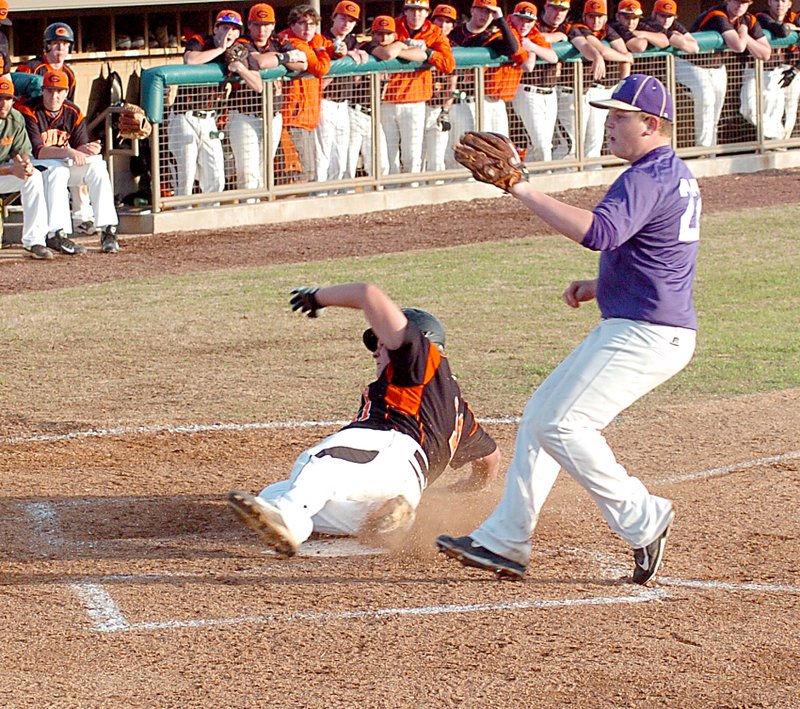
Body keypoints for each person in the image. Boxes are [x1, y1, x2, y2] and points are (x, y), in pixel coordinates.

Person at [438, 74, 701, 586]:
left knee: (564, 425)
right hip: (640, 324)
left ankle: (643, 517)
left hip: (646, 333)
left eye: (619, 116)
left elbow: (599, 232)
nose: (609, 123)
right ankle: (505, 540)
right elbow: (661, 252)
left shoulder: (647, 175)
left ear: (650, 124)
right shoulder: (670, 172)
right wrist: (603, 286)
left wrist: (520, 186)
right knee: (540, 418)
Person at [228, 282, 501, 555]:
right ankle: (390, 519)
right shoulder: (458, 409)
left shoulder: (420, 358)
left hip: (391, 450)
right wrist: (452, 493)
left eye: (383, 343)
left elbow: (367, 293)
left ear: (419, 340)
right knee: (272, 495)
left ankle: (290, 518)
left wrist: (317, 298)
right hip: (402, 482)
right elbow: (491, 461)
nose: (376, 351)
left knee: (321, 461)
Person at [20, 70, 120, 253]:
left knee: (98, 166)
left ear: (66, 92)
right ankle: (57, 233)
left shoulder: (73, 111)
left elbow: (79, 149)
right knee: (58, 172)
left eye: (59, 91)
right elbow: (38, 151)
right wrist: (69, 151)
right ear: (42, 91)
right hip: (37, 167)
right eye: (49, 91)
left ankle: (108, 230)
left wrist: (88, 149)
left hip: (61, 162)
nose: (54, 96)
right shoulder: (29, 110)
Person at [169, 9, 262, 198]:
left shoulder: (240, 50)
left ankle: (207, 217)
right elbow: (190, 61)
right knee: (185, 174)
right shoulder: (201, 41)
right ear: (216, 28)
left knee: (216, 176)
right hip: (185, 115)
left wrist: (240, 68)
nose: (229, 33)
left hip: (211, 118)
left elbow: (258, 85)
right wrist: (220, 50)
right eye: (225, 27)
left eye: (234, 29)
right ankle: (179, 216)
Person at [228, 3, 306, 195]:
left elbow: (303, 62)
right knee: (247, 171)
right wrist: (286, 58)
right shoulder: (241, 43)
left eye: (266, 25)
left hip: (273, 115)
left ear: (272, 26)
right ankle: (247, 211)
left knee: (264, 170)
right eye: (257, 25)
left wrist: (279, 57)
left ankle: (258, 215)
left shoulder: (277, 41)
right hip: (245, 115)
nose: (261, 30)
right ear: (249, 25)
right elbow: (261, 62)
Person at [375, 0, 455, 177]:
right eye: (412, 10)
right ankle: (391, 191)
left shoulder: (434, 32)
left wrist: (427, 53)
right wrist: (409, 50)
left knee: (412, 155)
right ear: (405, 11)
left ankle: (412, 189)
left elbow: (448, 64)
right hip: (386, 99)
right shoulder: (392, 24)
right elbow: (379, 49)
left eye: (420, 10)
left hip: (415, 100)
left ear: (427, 13)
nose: (416, 15)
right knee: (388, 155)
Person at [0, 76, 71, 260]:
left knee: (33, 177)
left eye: (7, 99)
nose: (3, 104)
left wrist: (25, 165)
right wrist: (11, 170)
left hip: (3, 172)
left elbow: (22, 150)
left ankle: (34, 241)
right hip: (3, 171)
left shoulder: (14, 118)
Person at [687, 0, 770, 147]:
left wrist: (746, 36)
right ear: (728, 1)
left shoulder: (748, 19)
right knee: (707, 100)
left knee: (715, 114)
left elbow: (765, 54)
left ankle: (709, 152)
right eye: (737, 1)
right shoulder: (717, 14)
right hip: (690, 64)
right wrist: (743, 31)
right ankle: (702, 151)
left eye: (744, 3)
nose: (740, 6)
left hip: (717, 67)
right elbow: (738, 46)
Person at [566, 0, 633, 161]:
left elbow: (623, 50)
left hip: (596, 91)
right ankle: (560, 173)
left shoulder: (607, 29)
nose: (596, 21)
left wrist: (623, 85)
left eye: (600, 17)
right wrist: (626, 58)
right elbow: (603, 50)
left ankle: (591, 171)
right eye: (591, 16)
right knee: (573, 141)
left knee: (594, 138)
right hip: (573, 91)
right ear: (584, 16)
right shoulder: (578, 27)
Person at [449, 0, 526, 139]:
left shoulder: (491, 37)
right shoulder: (454, 32)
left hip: (482, 99)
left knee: (496, 146)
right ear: (472, 10)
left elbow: (513, 49)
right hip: (453, 101)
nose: (485, 15)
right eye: (482, 10)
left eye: (490, 12)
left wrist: (500, 20)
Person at [278, 5, 336, 182]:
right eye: (302, 23)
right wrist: (321, 51)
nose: (308, 28)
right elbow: (320, 68)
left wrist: (338, 51)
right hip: (293, 117)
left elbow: (332, 48)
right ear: (293, 25)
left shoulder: (314, 39)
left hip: (306, 116)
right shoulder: (293, 42)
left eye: (312, 24)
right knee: (299, 172)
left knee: (308, 170)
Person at [316, 1, 369, 187]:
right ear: (334, 17)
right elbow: (318, 83)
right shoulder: (320, 39)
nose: (346, 23)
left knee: (340, 155)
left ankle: (334, 194)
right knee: (322, 156)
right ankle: (319, 195)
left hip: (343, 105)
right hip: (323, 103)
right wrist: (342, 61)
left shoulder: (353, 41)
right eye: (343, 18)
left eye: (351, 20)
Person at [509, 2, 560, 162]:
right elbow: (528, 66)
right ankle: (547, 179)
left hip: (548, 93)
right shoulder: (508, 32)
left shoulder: (533, 35)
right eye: (521, 19)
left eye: (529, 21)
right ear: (514, 17)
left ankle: (533, 179)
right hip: (526, 91)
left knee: (541, 143)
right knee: (542, 144)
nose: (525, 24)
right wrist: (531, 48)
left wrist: (532, 47)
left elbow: (553, 57)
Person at [756, 0, 800, 139]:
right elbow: (780, 30)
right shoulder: (761, 16)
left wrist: (796, 70)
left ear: (790, 3)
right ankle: (775, 140)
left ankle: (782, 144)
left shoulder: (795, 17)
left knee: (790, 109)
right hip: (767, 70)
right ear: (769, 2)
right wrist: (790, 28)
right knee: (771, 109)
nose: (780, 4)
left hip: (793, 68)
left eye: (784, 0)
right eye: (776, 0)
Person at [424, 4, 459, 173]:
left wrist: (445, 110)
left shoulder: (453, 47)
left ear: (453, 26)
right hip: (417, 103)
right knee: (416, 156)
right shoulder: (422, 40)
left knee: (437, 155)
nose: (443, 25)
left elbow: (453, 82)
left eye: (448, 22)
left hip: (438, 107)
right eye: (439, 20)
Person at [17, 22, 77, 100]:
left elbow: (69, 103)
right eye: (56, 43)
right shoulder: (30, 68)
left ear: (70, 47)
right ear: (47, 46)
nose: (60, 47)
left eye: (65, 44)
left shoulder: (69, 74)